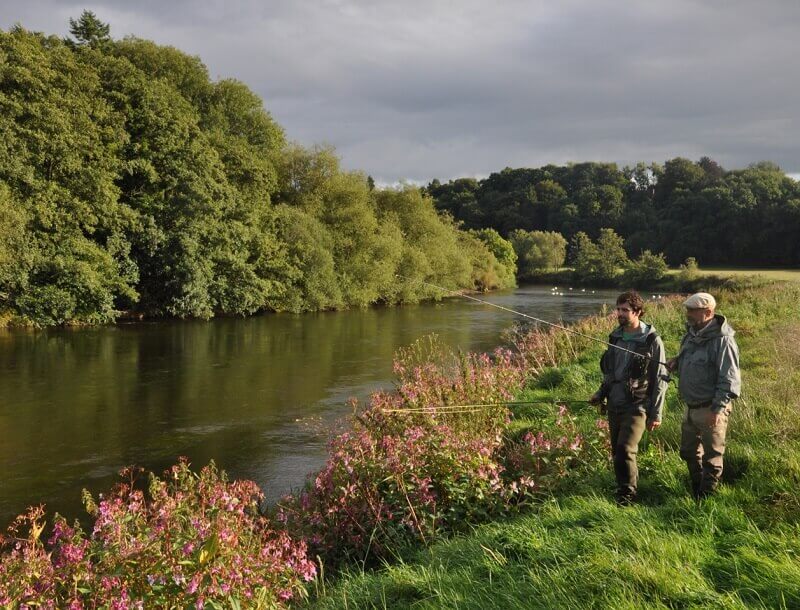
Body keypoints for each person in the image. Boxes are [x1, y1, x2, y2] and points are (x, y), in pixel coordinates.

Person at [589, 290, 668, 505]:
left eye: (625, 310)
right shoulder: (615, 336)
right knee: (617, 451)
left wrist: (656, 413)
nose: (620, 313)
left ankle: (628, 496)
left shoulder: (652, 340)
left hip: (638, 405)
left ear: (638, 312)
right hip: (615, 402)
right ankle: (622, 487)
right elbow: (610, 374)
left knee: (625, 448)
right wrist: (600, 393)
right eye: (618, 309)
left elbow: (661, 379)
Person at [667, 292, 741, 498]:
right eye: (687, 309)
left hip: (711, 408)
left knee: (712, 456)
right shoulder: (691, 334)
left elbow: (729, 379)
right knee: (688, 452)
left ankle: (707, 498)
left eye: (692, 310)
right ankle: (697, 487)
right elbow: (691, 360)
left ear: (708, 312)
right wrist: (676, 362)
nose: (687, 314)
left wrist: (718, 409)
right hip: (690, 407)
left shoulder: (723, 341)